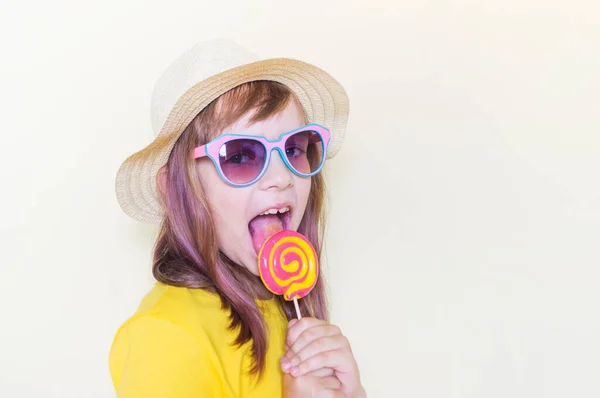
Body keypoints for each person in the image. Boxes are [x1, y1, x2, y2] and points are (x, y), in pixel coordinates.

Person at [109, 39, 366, 397]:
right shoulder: (164, 336)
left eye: (294, 148)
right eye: (240, 155)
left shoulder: (284, 312)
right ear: (173, 186)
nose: (282, 177)